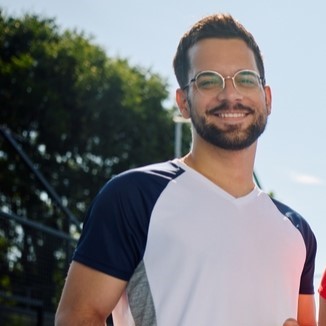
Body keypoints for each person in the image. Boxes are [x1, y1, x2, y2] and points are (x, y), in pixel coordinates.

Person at [55, 13, 317, 325]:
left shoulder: (297, 231)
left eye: (246, 79)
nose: (230, 95)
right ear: (183, 101)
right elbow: (78, 316)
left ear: (267, 97)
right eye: (208, 80)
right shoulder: (133, 197)